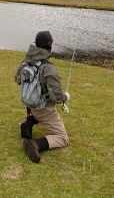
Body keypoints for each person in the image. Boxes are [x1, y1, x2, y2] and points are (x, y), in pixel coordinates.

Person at [14, 30, 71, 163]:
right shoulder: (49, 68)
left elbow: (18, 80)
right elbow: (56, 97)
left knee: (37, 112)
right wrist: (66, 97)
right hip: (43, 109)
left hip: (30, 104)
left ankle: (29, 121)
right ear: (50, 45)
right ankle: (36, 144)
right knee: (62, 138)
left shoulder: (26, 60)